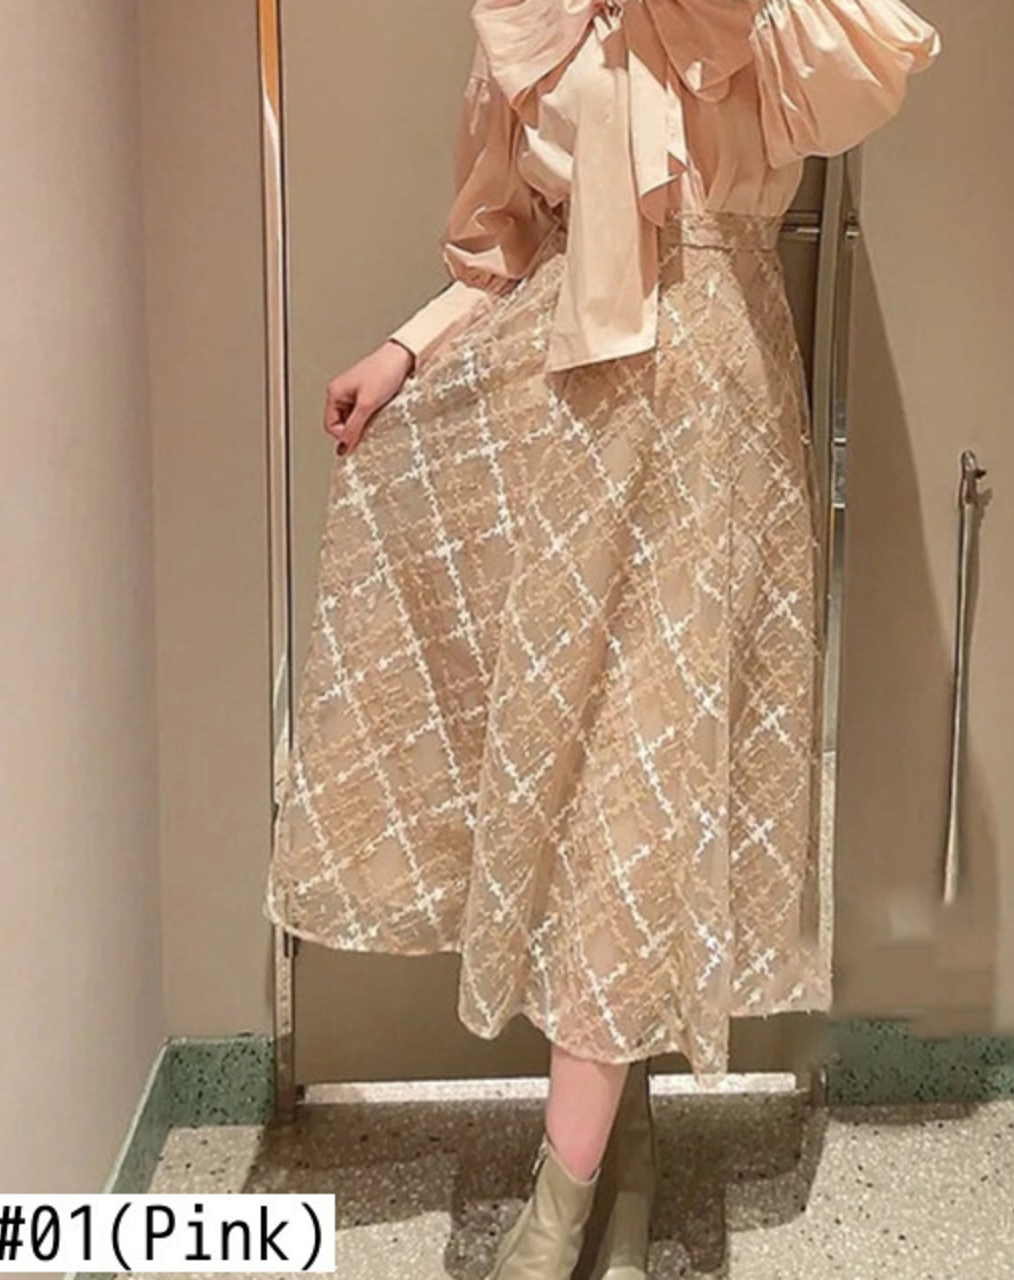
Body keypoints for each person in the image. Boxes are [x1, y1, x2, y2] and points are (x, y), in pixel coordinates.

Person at [263, 0, 939, 1275]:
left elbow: (863, 72)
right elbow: (507, 250)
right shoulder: (531, 24)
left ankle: (557, 1208)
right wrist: (407, 347)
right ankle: (617, 1153)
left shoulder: (751, 14)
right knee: (581, 807)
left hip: (712, 424)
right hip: (564, 428)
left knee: (641, 794)